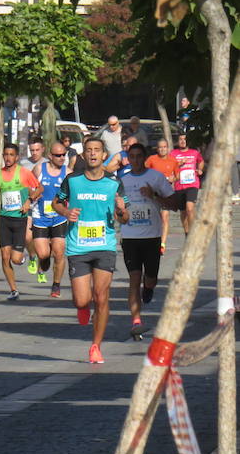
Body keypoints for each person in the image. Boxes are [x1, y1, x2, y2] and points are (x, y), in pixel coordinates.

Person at [52, 138, 130, 364]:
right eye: (89, 150)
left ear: (104, 155)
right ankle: (82, 307)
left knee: (102, 296)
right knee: (81, 299)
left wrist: (121, 210)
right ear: (83, 155)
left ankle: (96, 346)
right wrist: (66, 213)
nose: (93, 154)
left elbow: (124, 218)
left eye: (97, 150)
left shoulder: (114, 183)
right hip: (78, 247)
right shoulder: (72, 180)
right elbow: (57, 203)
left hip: (105, 246)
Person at [119, 143, 179, 339]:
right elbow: (116, 209)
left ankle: (149, 287)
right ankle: (136, 321)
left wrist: (153, 195)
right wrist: (121, 213)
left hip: (152, 236)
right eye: (132, 156)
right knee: (134, 279)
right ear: (128, 158)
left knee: (150, 279)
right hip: (130, 237)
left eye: (139, 156)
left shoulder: (155, 177)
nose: (135, 160)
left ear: (145, 158)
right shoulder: (122, 180)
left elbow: (174, 204)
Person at [0, 143, 42, 301]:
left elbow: (39, 188)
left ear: (16, 157)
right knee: (4, 256)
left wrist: (29, 200)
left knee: (15, 259)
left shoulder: (24, 173)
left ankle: (26, 257)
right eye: (6, 154)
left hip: (20, 220)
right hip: (4, 219)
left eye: (11, 155)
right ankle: (13, 290)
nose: (8, 157)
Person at [30, 141, 69, 296]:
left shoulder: (68, 172)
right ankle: (44, 262)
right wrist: (32, 194)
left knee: (59, 252)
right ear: (50, 156)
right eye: (58, 155)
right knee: (43, 254)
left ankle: (56, 285)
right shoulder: (39, 168)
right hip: (40, 217)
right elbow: (30, 185)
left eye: (63, 155)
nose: (61, 158)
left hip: (59, 217)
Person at [145, 138, 180, 254]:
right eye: (160, 147)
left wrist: (173, 178)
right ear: (157, 148)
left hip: (166, 192)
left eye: (164, 147)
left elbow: (177, 175)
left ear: (168, 148)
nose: (162, 149)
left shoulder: (173, 160)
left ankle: (162, 244)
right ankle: (152, 240)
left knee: (165, 218)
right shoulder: (151, 159)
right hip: (154, 193)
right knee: (154, 217)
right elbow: (144, 171)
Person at [20, 137, 48, 274]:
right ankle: (32, 255)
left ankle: (42, 267)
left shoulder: (48, 164)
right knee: (27, 236)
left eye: (37, 150)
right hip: (29, 204)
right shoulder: (23, 164)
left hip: (45, 206)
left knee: (44, 241)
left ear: (43, 149)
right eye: (32, 150)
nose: (34, 153)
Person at [169, 132, 204, 237]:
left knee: (190, 208)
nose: (183, 141)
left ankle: (193, 233)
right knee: (183, 212)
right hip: (179, 185)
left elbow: (201, 161)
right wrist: (179, 164)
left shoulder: (194, 152)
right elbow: (169, 166)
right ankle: (187, 232)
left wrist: (200, 169)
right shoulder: (173, 153)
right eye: (180, 139)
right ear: (177, 141)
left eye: (185, 139)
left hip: (192, 184)